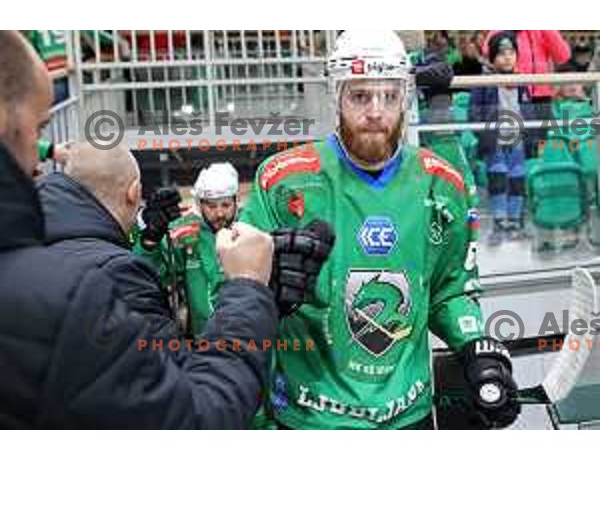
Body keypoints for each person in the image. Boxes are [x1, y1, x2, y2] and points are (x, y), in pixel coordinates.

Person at [0, 30, 282, 429]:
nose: (40, 154)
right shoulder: (78, 292)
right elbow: (192, 414)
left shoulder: (250, 232)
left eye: (226, 204)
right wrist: (247, 290)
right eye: (41, 128)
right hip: (217, 363)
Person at [242, 30, 520, 430]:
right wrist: (264, 294)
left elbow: (450, 289)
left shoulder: (441, 183)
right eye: (359, 96)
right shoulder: (281, 180)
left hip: (408, 416)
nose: (375, 111)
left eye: (388, 96)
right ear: (336, 97)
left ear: (405, 99)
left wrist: (477, 349)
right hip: (309, 419)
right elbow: (230, 289)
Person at [133, 162, 240, 336]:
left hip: (249, 338)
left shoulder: (249, 233)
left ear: (236, 202)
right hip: (203, 342)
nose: (220, 213)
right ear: (199, 204)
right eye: (211, 206)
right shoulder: (185, 233)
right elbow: (152, 274)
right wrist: (150, 239)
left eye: (226, 205)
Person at [470, 32, 536, 245]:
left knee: (517, 178)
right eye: (501, 53)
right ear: (491, 58)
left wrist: (531, 137)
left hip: (518, 140)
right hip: (495, 140)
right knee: (498, 177)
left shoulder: (522, 81)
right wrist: (484, 135)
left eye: (511, 53)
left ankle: (516, 221)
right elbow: (474, 112)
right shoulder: (484, 82)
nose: (507, 57)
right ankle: (499, 222)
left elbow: (530, 111)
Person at [483, 30, 571, 121]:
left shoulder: (542, 31)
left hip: (542, 96)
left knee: (539, 134)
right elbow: (487, 50)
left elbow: (563, 56)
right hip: (516, 92)